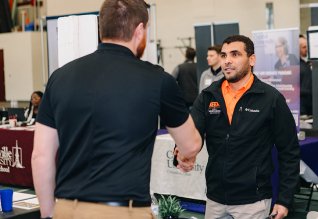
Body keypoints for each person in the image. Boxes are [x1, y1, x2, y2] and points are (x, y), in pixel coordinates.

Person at [31, 1, 202, 219]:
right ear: (139, 30)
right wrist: (184, 157)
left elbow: (41, 156)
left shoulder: (59, 77)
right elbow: (191, 144)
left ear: (101, 27)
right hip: (124, 211)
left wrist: (48, 213)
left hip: (68, 209)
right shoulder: (157, 79)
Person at [190, 35, 300, 219]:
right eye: (224, 55)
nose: (227, 61)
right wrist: (181, 152)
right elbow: (193, 134)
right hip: (215, 199)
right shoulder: (208, 96)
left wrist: (284, 199)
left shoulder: (270, 99)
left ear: (252, 59)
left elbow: (289, 151)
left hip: (252, 202)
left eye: (235, 54)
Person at [299, 34, 313, 116]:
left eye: (307, 46)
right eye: (304, 47)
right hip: (303, 108)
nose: (307, 49)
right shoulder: (297, 66)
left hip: (310, 106)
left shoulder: (307, 63)